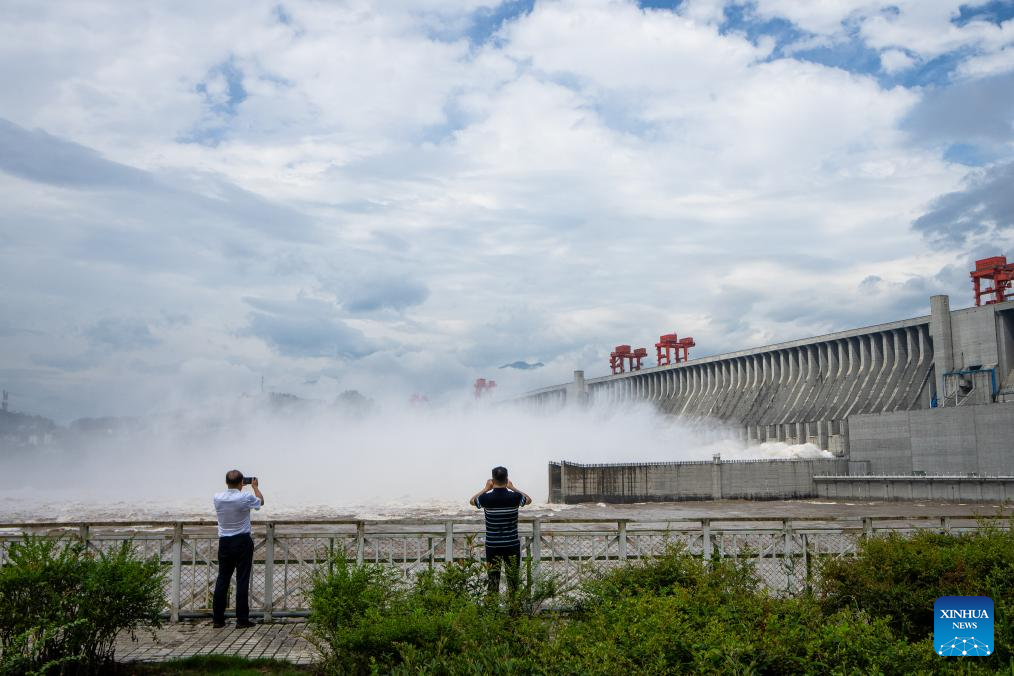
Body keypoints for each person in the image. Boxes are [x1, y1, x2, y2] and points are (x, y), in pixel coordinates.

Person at [212, 470, 264, 628]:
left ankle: (218, 620)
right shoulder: (245, 497)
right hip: (242, 541)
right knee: (242, 580)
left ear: (226, 482)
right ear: (242, 482)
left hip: (224, 543)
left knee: (222, 579)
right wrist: (255, 487)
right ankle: (242, 620)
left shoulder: (217, 498)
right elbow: (260, 502)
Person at [469, 466, 532, 596]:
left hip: (493, 546)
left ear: (492, 480)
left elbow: (471, 501)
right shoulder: (515, 497)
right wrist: (513, 487)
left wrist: (486, 488)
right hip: (512, 545)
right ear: (507, 479)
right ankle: (515, 613)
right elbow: (529, 499)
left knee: (493, 581)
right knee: (513, 582)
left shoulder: (485, 498)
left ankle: (493, 613)